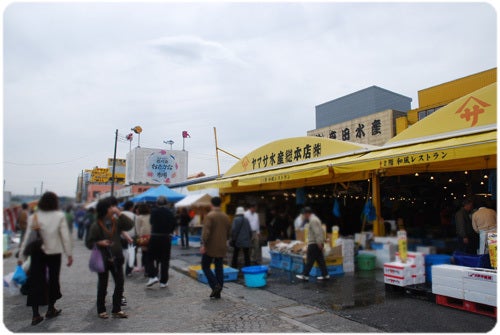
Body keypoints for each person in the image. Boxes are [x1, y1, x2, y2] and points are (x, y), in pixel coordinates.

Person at [17, 191, 73, 326]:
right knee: (53, 280)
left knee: (35, 281)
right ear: (55, 203)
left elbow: (28, 238)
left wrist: (21, 256)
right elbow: (65, 236)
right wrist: (69, 254)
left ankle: (35, 315)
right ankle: (50, 309)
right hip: (54, 253)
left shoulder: (34, 216)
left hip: (37, 253)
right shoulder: (59, 216)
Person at [85, 197, 134, 319]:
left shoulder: (115, 222)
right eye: (111, 207)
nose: (113, 208)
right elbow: (89, 242)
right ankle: (101, 309)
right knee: (103, 284)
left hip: (117, 257)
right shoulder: (96, 225)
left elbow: (129, 225)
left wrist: (119, 213)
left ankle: (116, 309)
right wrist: (99, 243)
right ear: (105, 209)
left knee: (120, 283)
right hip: (103, 258)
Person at [201, 196, 231, 299]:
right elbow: (228, 233)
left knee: (205, 266)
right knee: (219, 268)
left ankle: (215, 285)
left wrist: (203, 244)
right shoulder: (226, 216)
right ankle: (218, 292)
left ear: (211, 204)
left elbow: (206, 232)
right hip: (222, 246)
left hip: (210, 246)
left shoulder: (210, 216)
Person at [146, 196, 176, 288]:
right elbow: (173, 225)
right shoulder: (170, 213)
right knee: (165, 260)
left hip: (155, 236)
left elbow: (151, 222)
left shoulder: (154, 212)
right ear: (166, 203)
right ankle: (163, 281)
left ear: (157, 203)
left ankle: (153, 275)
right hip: (166, 237)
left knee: (149, 258)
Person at [296, 207, 329, 281]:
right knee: (320, 260)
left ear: (307, 214)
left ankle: (305, 275)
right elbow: (320, 231)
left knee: (310, 260)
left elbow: (317, 232)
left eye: (304, 214)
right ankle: (325, 275)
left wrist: (319, 242)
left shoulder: (313, 220)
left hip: (314, 243)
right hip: (317, 243)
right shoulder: (315, 219)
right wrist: (322, 241)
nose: (304, 216)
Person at [120, 201, 137, 278]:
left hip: (120, 236)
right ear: (131, 207)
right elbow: (136, 227)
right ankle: (128, 271)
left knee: (120, 253)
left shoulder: (120, 214)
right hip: (131, 237)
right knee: (131, 254)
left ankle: (118, 269)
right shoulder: (134, 215)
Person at [135, 203, 151, 275]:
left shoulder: (139, 217)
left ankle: (146, 269)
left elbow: (138, 229)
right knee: (150, 254)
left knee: (145, 254)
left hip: (143, 237)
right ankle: (150, 269)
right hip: (151, 237)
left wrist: (139, 238)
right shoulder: (150, 216)